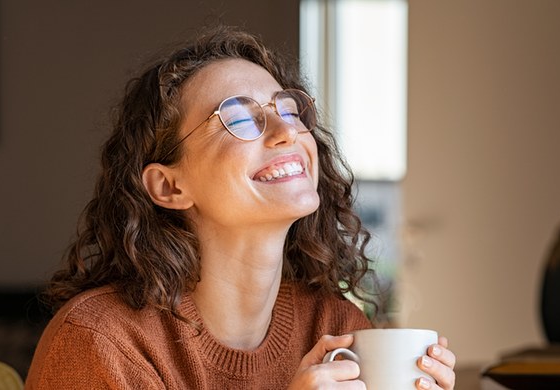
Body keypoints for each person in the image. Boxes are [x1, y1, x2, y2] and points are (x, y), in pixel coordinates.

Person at [25, 27, 457, 389]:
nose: (286, 131)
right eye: (238, 117)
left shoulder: (333, 325)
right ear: (169, 186)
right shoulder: (102, 342)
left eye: (288, 109)